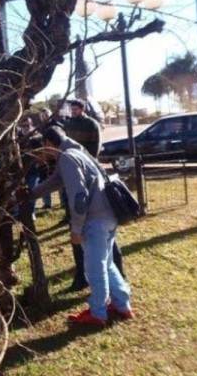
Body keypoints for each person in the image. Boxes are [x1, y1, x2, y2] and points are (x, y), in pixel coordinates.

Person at [30, 127, 133, 325]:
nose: (41, 156)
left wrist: (76, 229)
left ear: (49, 143)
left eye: (42, 149)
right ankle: (122, 304)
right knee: (107, 263)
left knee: (94, 268)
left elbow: (79, 196)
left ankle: (97, 313)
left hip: (94, 220)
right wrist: (32, 194)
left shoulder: (67, 158)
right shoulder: (74, 153)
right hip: (107, 216)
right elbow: (55, 181)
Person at [63, 99, 125, 291]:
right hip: (73, 173)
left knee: (102, 235)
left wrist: (82, 162)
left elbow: (94, 149)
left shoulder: (91, 124)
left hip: (89, 174)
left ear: (82, 109)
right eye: (71, 108)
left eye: (76, 108)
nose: (73, 111)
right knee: (80, 226)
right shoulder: (68, 125)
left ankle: (116, 275)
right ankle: (82, 274)